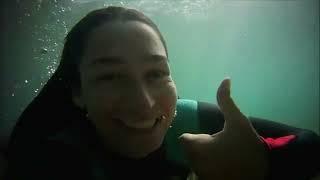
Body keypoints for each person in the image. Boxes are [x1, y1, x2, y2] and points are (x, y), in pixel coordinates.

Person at [5, 6, 320, 180]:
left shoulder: (187, 120)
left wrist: (267, 161)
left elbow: (311, 143)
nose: (144, 103)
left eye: (156, 73)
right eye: (111, 76)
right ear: (77, 92)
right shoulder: (49, 158)